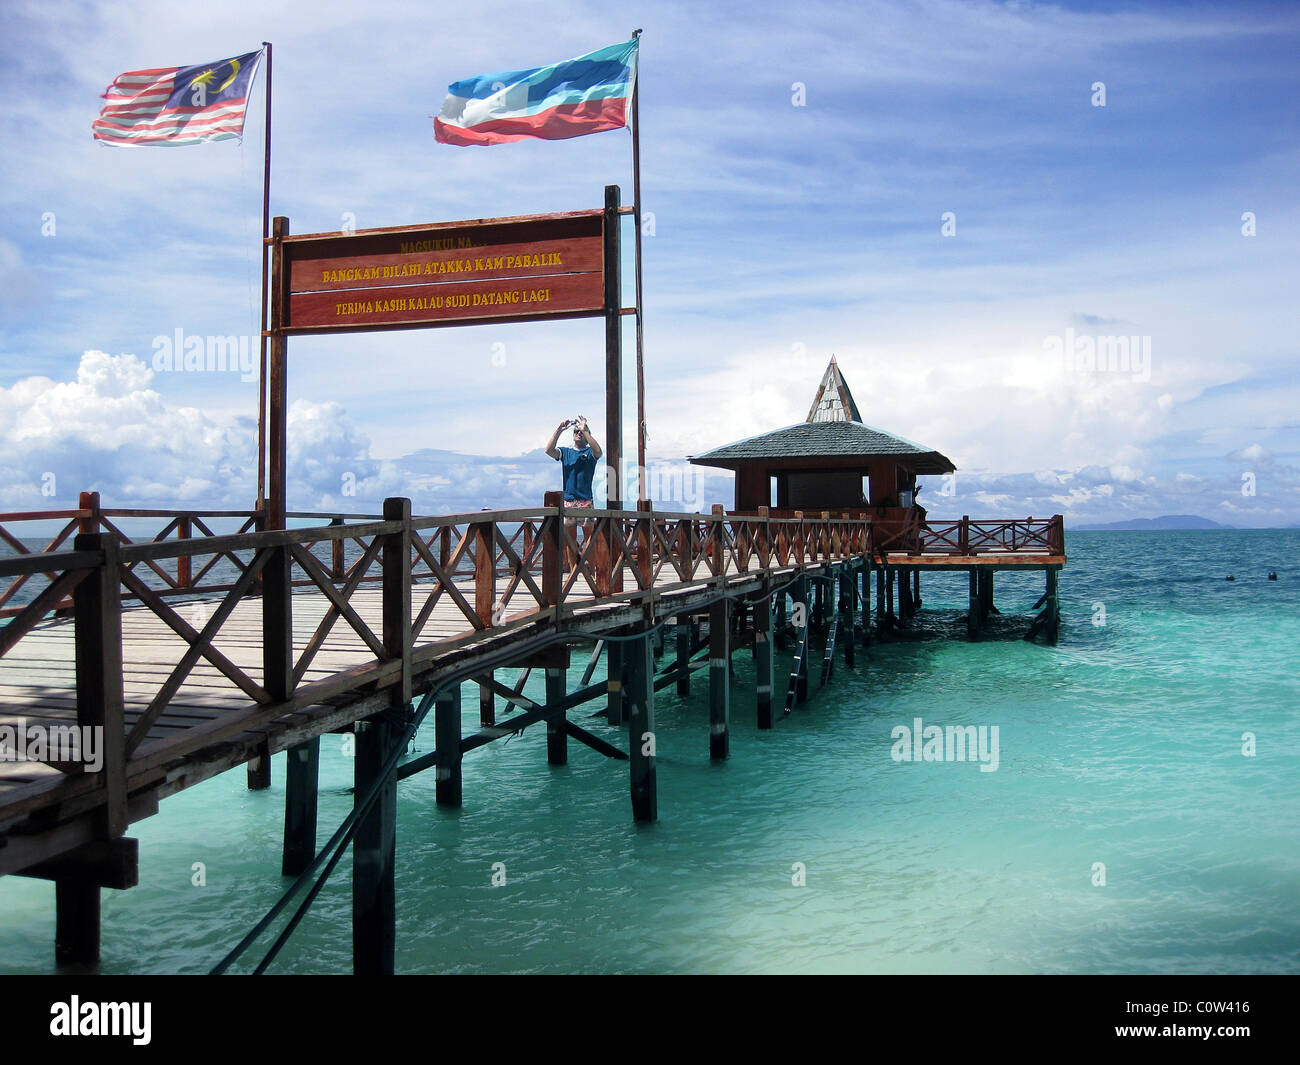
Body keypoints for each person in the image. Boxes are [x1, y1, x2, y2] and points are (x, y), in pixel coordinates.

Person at [545, 417, 603, 569]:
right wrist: (559, 430)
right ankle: (573, 573)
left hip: (585, 502)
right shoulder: (566, 452)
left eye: (581, 432)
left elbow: (599, 451)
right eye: (576, 431)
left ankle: (591, 573)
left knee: (590, 539)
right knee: (569, 540)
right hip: (568, 501)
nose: (578, 433)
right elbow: (549, 450)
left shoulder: (590, 452)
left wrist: (585, 430)